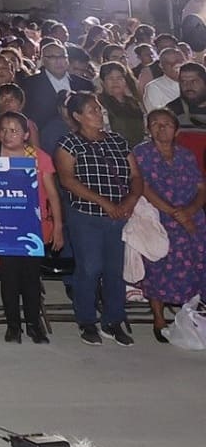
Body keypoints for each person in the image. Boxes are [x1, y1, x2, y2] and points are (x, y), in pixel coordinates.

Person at [54, 92, 144, 346]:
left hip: (118, 214)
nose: (98, 113)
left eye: (99, 109)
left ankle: (113, 320)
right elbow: (67, 180)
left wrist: (129, 200)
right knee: (90, 268)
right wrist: (105, 203)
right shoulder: (68, 144)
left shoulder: (117, 140)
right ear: (78, 116)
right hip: (86, 214)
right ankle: (86, 320)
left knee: (115, 270)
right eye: (92, 110)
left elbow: (135, 176)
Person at [0, 112, 62, 343]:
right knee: (9, 277)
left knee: (31, 278)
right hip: (3, 227)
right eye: (4, 129)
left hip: (33, 227)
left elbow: (53, 196)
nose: (7, 134)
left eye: (14, 130)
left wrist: (57, 227)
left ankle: (34, 325)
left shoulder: (38, 157)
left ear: (26, 134)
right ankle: (13, 325)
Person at [132, 108, 205, 343]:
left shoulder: (186, 155)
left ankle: (191, 313)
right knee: (158, 267)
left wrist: (190, 211)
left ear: (176, 130)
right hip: (159, 218)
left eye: (166, 124)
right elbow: (143, 187)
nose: (160, 128)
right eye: (155, 123)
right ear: (147, 128)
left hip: (192, 217)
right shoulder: (141, 154)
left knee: (197, 264)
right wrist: (174, 212)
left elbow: (201, 187)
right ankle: (159, 318)